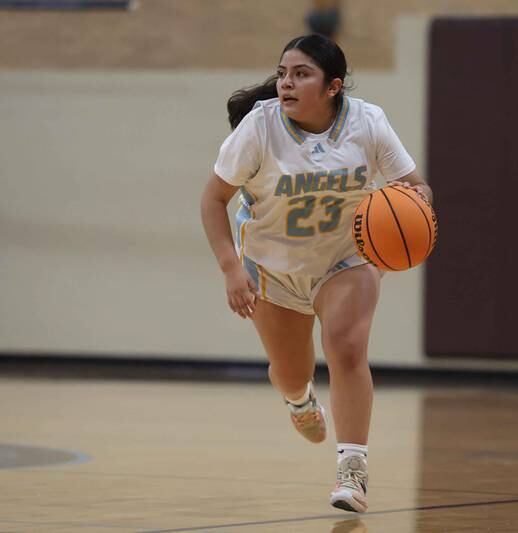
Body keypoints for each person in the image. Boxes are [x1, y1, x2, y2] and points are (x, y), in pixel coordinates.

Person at [200, 34, 432, 513]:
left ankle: (353, 472)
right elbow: (213, 200)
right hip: (274, 266)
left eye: (301, 74)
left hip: (346, 256)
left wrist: (417, 207)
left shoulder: (367, 122)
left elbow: (413, 186)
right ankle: (299, 399)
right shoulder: (258, 128)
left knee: (346, 348)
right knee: (290, 372)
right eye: (283, 73)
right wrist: (230, 269)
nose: (286, 83)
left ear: (333, 86)